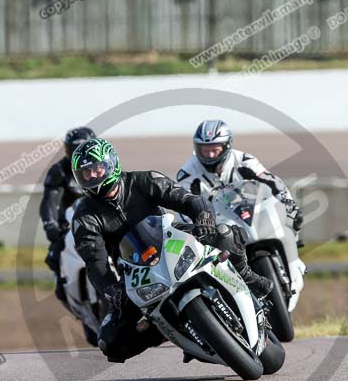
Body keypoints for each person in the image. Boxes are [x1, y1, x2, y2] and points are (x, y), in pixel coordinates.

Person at [70, 137, 272, 363]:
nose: (93, 177)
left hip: (172, 238)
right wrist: (112, 291)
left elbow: (188, 199)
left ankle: (246, 275)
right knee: (110, 342)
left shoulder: (144, 180)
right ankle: (174, 330)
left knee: (225, 232)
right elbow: (94, 262)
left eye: (96, 169)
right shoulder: (84, 217)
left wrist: (203, 218)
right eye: (85, 173)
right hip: (135, 269)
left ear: (111, 165)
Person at [176, 119, 304, 243]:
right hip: (217, 225)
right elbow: (183, 208)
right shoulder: (188, 173)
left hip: (253, 214)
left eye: (215, 150)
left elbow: (272, 182)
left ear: (226, 146)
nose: (210, 155)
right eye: (205, 150)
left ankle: (293, 259)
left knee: (293, 217)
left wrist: (288, 203)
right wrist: (199, 228)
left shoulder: (245, 161)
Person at [39, 126, 96, 303]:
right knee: (54, 257)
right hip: (70, 227)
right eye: (73, 150)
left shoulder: (103, 166)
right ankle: (66, 289)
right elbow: (49, 201)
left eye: (83, 150)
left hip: (101, 223)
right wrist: (51, 225)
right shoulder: (59, 171)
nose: (78, 155)